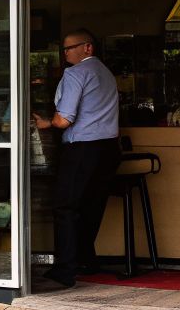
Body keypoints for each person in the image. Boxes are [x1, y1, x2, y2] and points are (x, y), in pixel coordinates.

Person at [34, 28, 120, 289]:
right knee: (91, 206)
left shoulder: (75, 73)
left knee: (66, 207)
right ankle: (86, 260)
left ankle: (65, 269)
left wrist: (48, 122)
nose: (65, 53)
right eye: (64, 49)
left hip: (82, 148)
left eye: (70, 48)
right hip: (108, 148)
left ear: (87, 47)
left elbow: (64, 119)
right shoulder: (106, 73)